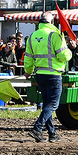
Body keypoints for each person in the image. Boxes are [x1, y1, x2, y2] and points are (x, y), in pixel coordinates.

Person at [24, 11, 72, 143]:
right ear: (52, 22)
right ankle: (37, 128)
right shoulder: (55, 34)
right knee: (53, 104)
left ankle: (52, 133)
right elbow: (63, 55)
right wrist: (69, 52)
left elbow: (28, 58)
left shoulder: (32, 36)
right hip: (54, 75)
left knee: (47, 105)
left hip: (40, 75)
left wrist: (28, 71)